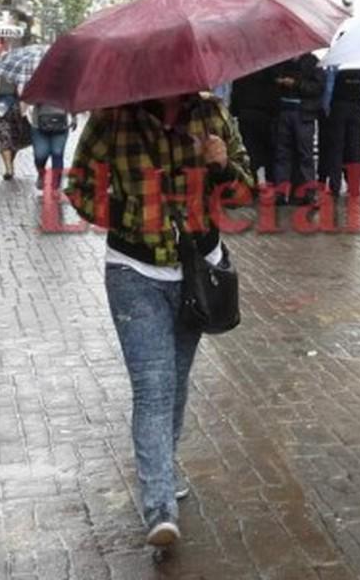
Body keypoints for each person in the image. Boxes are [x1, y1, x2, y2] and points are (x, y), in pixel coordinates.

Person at [65, 92, 253, 547]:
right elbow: (79, 188)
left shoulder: (212, 114)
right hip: (134, 271)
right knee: (153, 387)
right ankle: (159, 507)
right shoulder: (113, 118)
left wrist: (222, 165)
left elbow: (246, 193)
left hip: (196, 272)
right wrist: (130, 215)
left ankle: (162, 468)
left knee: (177, 381)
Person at [271, 53, 325, 205]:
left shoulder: (313, 62)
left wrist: (296, 84)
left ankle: (308, 193)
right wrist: (279, 82)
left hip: (303, 113)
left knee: (305, 155)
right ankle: (281, 192)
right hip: (284, 112)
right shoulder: (281, 61)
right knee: (282, 154)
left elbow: (317, 87)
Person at [321, 65, 360, 197]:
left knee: (336, 149)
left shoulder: (335, 65)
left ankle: (335, 186)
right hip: (355, 109)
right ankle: (354, 186)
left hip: (338, 108)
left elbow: (329, 88)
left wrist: (326, 108)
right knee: (354, 149)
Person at [228, 67, 277, 186]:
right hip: (266, 115)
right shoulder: (269, 68)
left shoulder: (241, 70)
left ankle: (252, 182)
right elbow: (274, 92)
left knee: (250, 152)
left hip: (246, 114)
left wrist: (234, 111)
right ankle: (271, 183)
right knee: (270, 152)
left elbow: (236, 94)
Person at [0, 71, 32, 181]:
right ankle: (8, 169)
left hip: (17, 110)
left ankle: (10, 163)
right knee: (4, 136)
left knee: (15, 140)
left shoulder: (22, 75)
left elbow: (27, 94)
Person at [28, 102, 73, 191]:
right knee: (40, 155)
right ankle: (41, 174)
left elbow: (73, 100)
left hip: (61, 124)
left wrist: (74, 117)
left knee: (57, 154)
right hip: (39, 125)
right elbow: (29, 99)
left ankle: (56, 186)